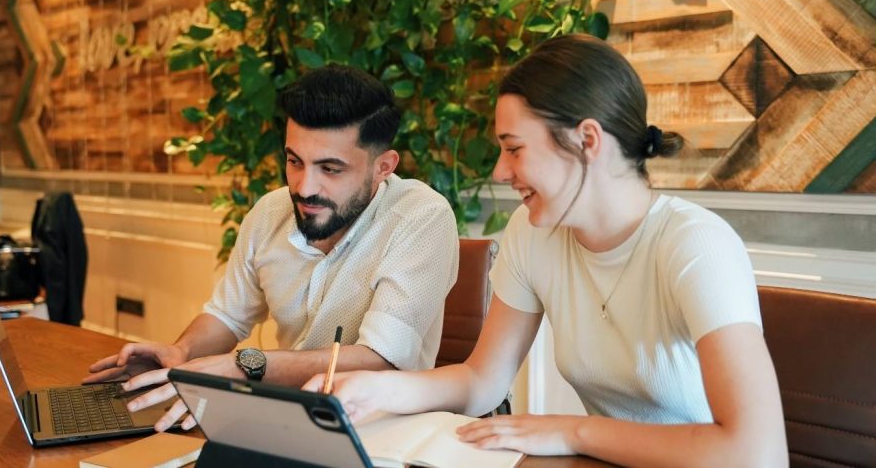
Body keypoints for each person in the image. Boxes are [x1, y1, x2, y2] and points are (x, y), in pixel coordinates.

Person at [304, 34, 788, 466]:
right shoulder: (534, 233)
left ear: (587, 140)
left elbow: (756, 453)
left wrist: (572, 430)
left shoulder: (696, 245)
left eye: (514, 149)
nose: (498, 172)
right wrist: (372, 389)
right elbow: (481, 382)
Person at [82, 64, 459, 432]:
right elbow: (227, 317)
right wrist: (183, 352)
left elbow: (381, 361)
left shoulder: (421, 218)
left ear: (383, 167)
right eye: (294, 161)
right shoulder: (269, 213)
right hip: (281, 421)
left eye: (330, 169)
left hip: (384, 430)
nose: (305, 187)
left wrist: (246, 365)